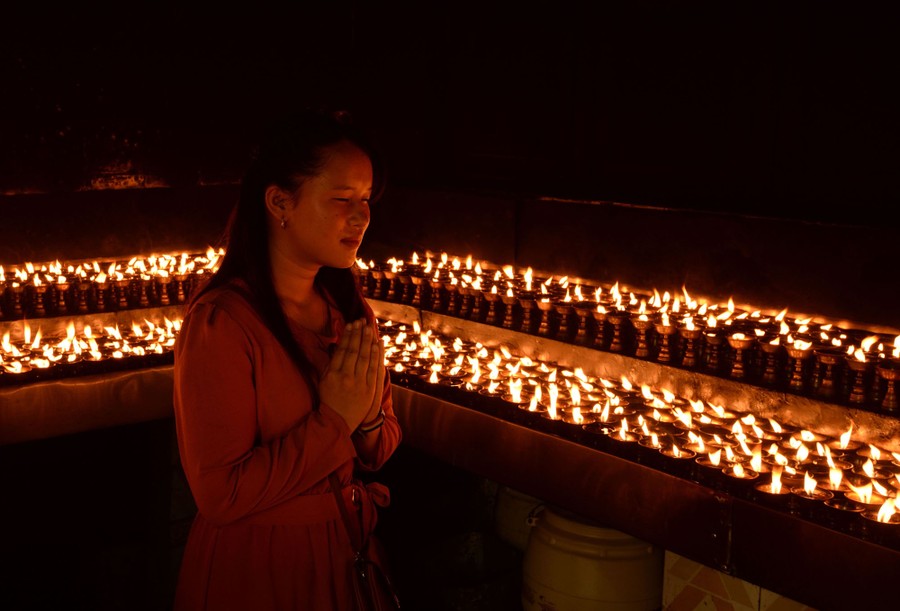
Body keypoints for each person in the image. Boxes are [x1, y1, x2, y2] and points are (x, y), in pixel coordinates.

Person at [172, 107, 402, 610]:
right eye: (343, 199)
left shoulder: (349, 310)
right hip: (261, 565)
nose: (362, 218)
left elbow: (380, 445)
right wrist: (335, 420)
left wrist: (363, 426)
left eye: (366, 200)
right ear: (280, 202)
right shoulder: (223, 323)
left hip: (343, 549)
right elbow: (220, 494)